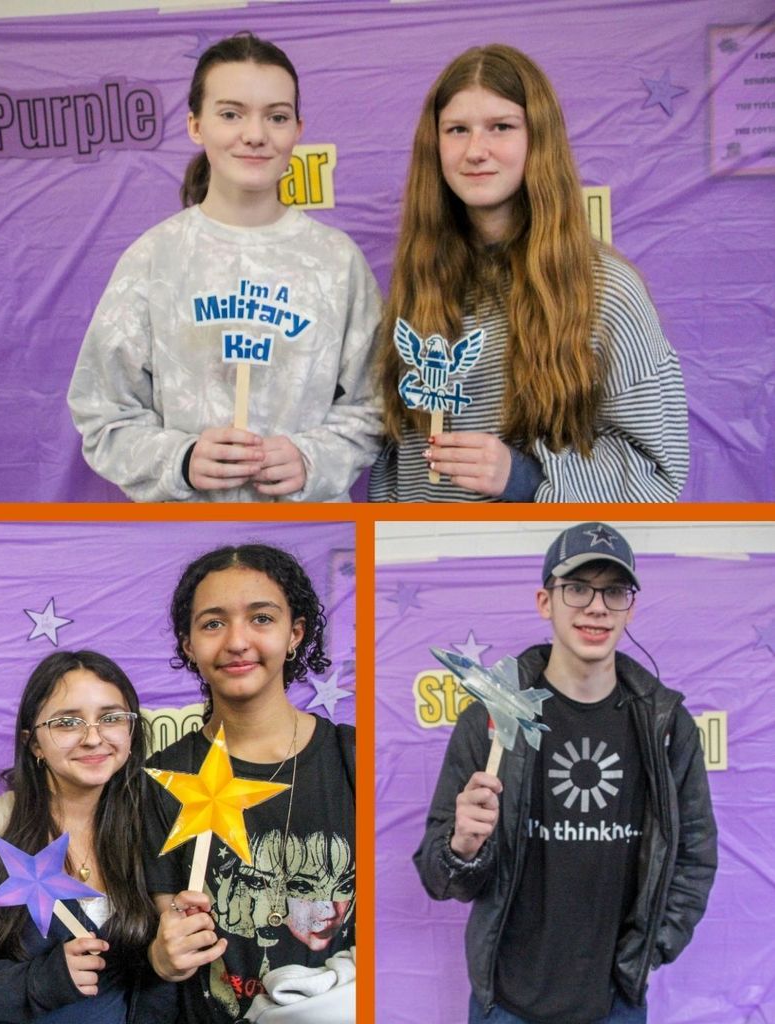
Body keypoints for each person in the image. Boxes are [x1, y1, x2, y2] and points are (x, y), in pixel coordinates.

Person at [414, 522, 717, 1023]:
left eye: (614, 591)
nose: (596, 606)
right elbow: (440, 877)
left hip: (614, 1004)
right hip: (505, 1005)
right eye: (576, 588)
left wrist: (651, 950)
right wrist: (462, 847)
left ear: (630, 607)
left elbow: (695, 854)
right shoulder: (490, 720)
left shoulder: (666, 726)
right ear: (544, 601)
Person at [68, 32, 381, 503]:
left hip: (305, 523)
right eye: (231, 114)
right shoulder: (154, 258)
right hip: (186, 528)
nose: (255, 134)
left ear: (297, 129)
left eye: (276, 117)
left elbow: (375, 406)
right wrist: (181, 459)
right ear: (196, 125)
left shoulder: (337, 262)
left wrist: (311, 457)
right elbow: (103, 413)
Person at [369, 44, 689, 502]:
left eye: (501, 127)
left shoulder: (608, 290)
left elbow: (658, 469)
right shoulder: (419, 283)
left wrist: (525, 478)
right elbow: (396, 458)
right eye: (457, 129)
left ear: (537, 137)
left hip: (525, 542)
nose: (476, 150)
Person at [143, 544, 355, 1023]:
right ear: (188, 644)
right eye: (213, 623)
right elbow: (166, 928)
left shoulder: (353, 757)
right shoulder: (160, 780)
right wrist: (165, 955)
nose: (237, 641)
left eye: (261, 618)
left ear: (295, 633)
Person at [0, 650, 175, 1024]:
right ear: (34, 743)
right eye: (67, 722)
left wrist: (167, 961)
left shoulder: (154, 831)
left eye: (111, 718)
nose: (93, 738)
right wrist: (40, 982)